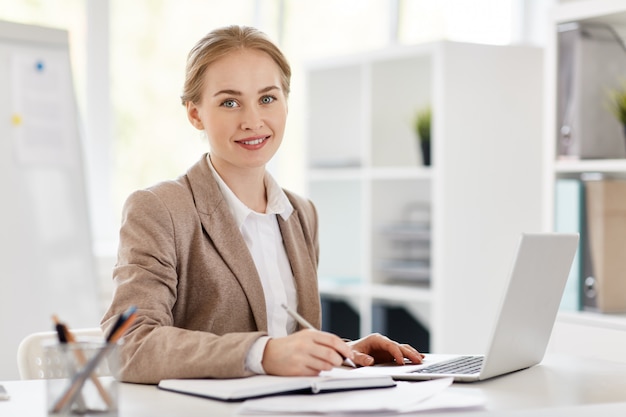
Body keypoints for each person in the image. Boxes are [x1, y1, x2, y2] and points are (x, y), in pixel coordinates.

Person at [101, 24, 423, 384]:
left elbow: (281, 344)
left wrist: (344, 354)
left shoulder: (301, 214)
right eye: (229, 102)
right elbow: (125, 344)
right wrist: (263, 352)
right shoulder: (160, 209)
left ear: (286, 101)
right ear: (195, 114)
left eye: (267, 98)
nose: (253, 121)